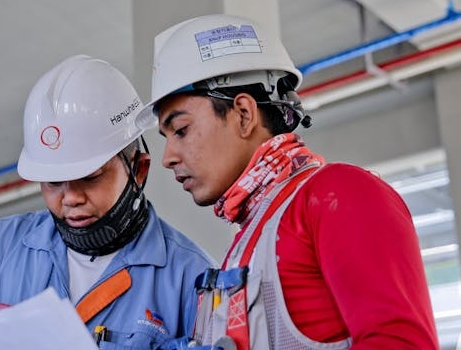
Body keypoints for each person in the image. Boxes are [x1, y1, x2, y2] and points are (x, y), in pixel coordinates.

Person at [137, 14, 440, 350]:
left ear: (244, 114)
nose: (168, 157)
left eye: (180, 130)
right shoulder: (249, 242)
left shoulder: (337, 194)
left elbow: (400, 343)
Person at [0, 55, 216, 349]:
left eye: (90, 177)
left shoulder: (192, 277)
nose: (71, 198)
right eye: (53, 182)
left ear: (139, 170)